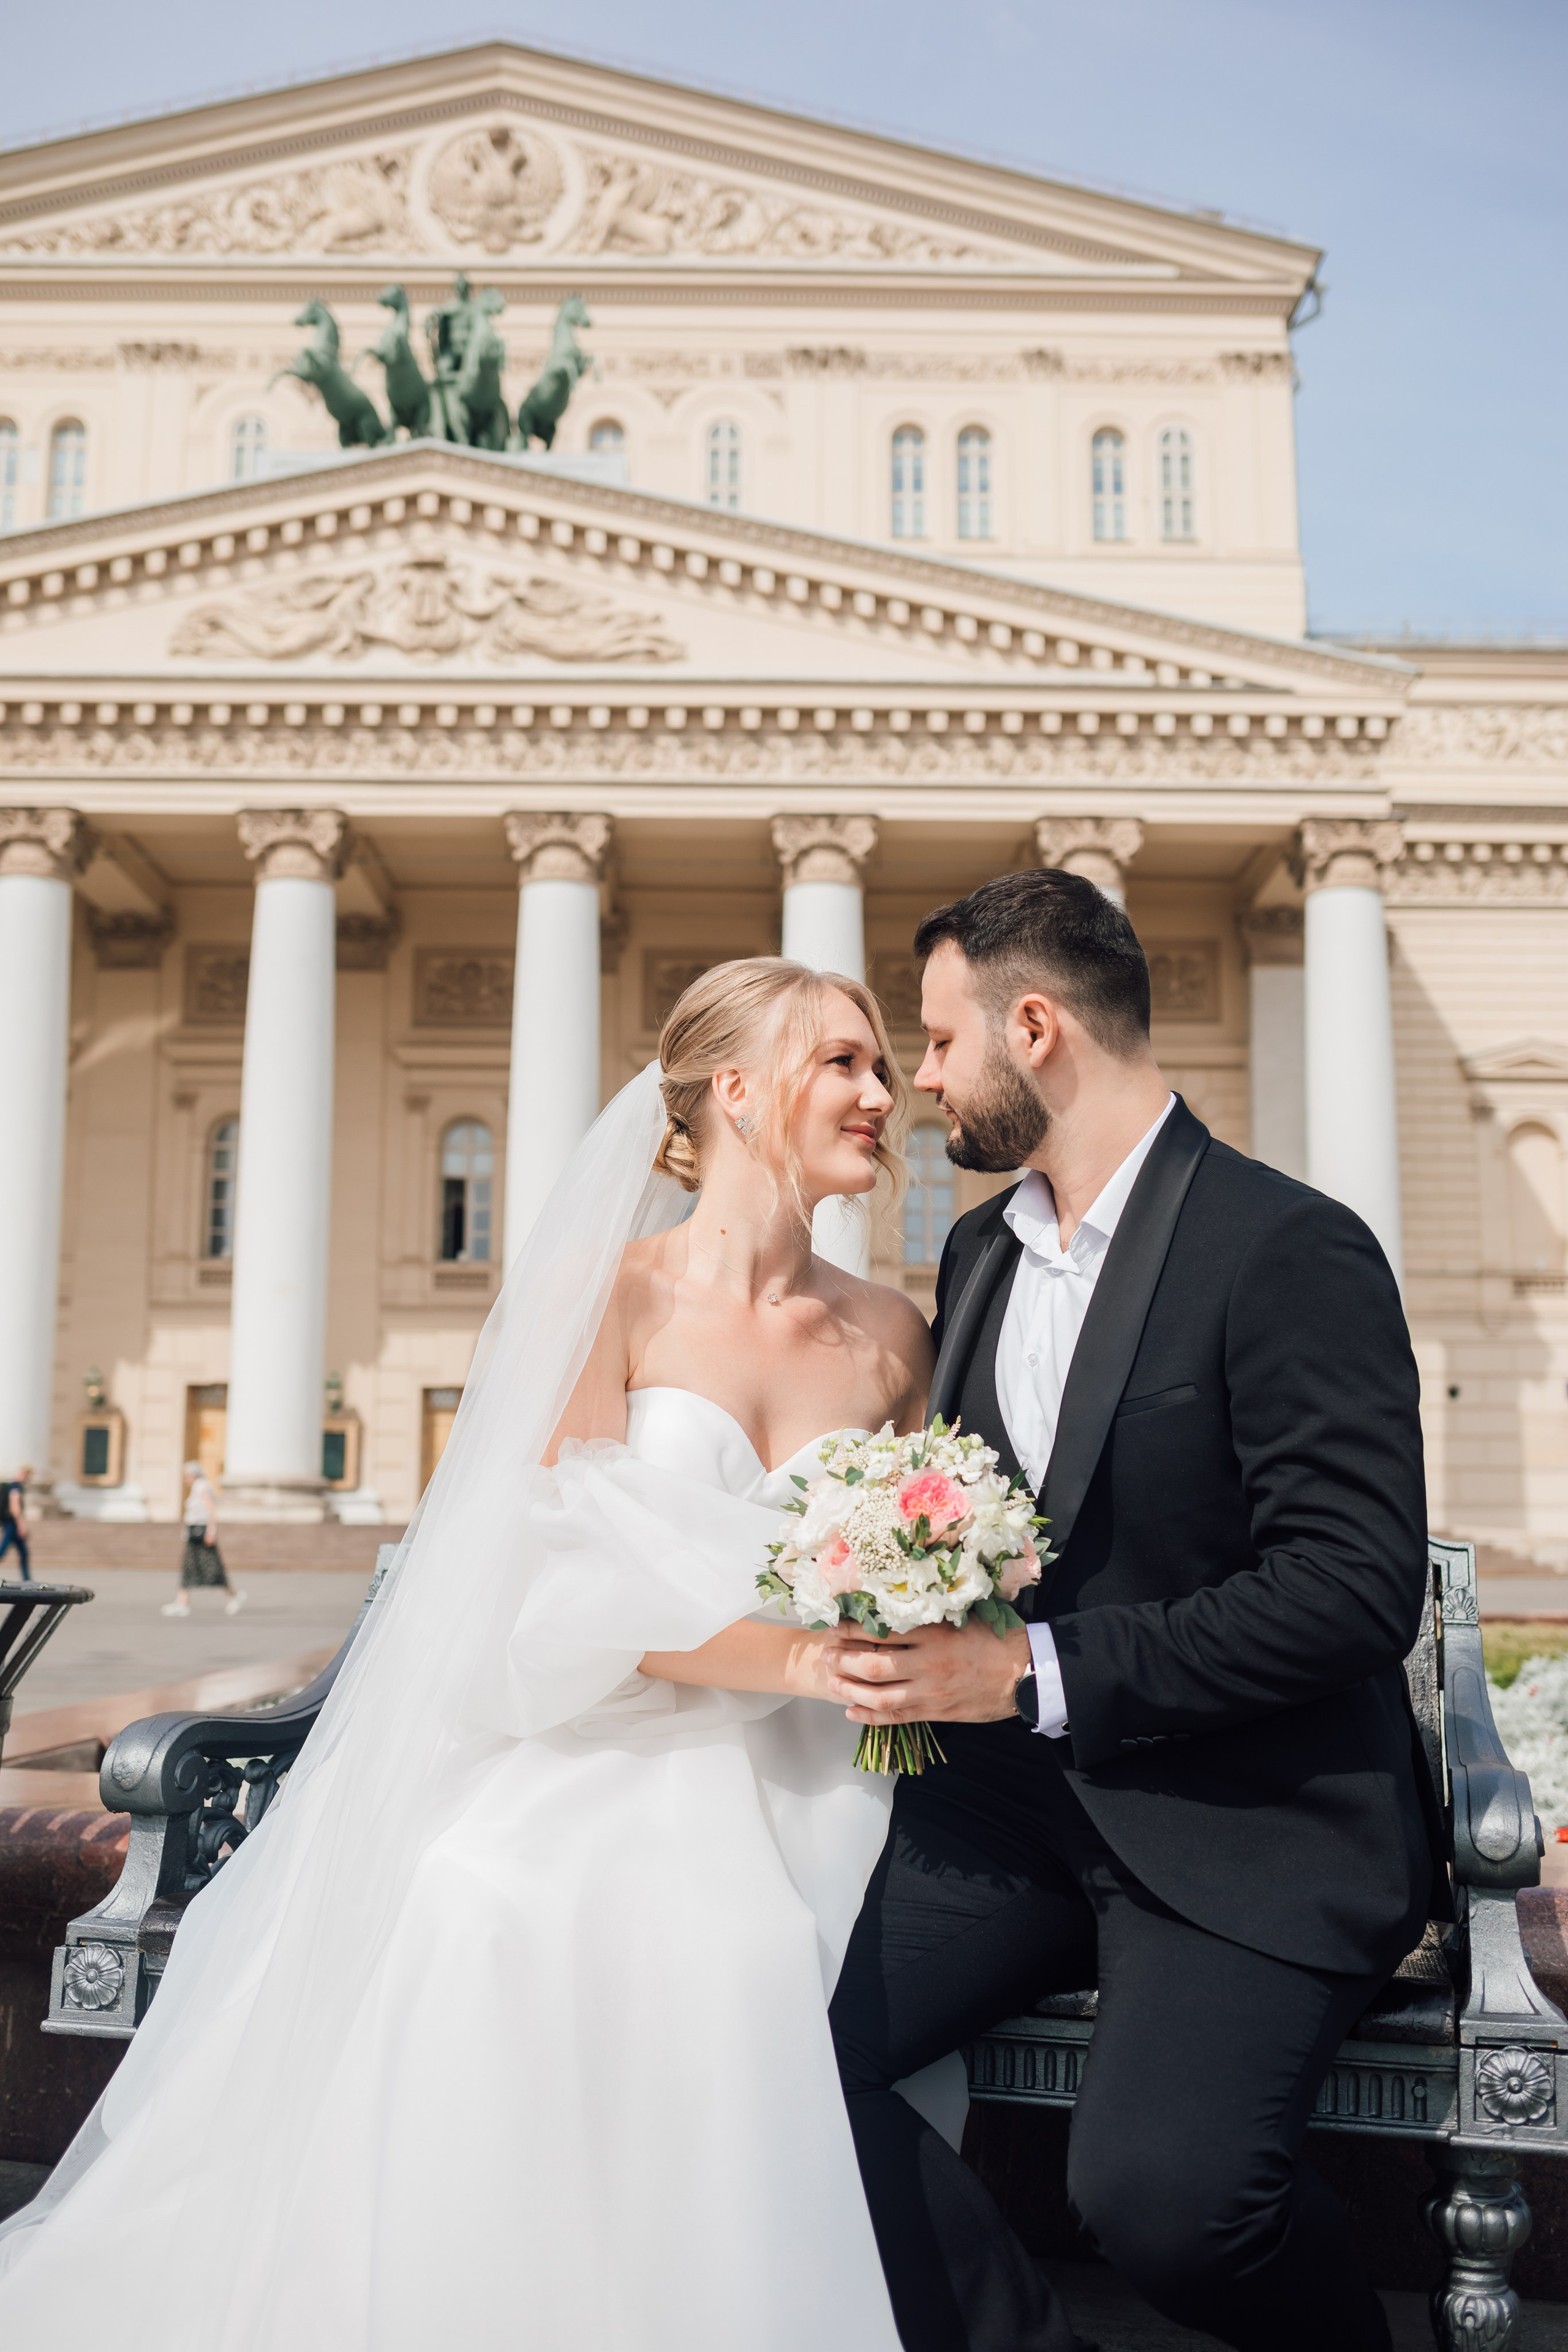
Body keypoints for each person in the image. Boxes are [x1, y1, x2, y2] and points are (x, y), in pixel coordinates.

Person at [0, 957, 952, 2352]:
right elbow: (557, 1601)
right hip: (618, 1718)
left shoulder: (888, 1335)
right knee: (485, 1893)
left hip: (819, 1766)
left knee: (731, 1932)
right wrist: (797, 1658)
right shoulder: (606, 1298)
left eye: (880, 1065)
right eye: (843, 1063)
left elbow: (910, 1546)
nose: (883, 1094)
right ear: (735, 1092)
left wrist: (919, 1612)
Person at [824, 868, 1442, 2352]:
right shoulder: (974, 1255)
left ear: (1031, 1025)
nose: (920, 1076)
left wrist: (1029, 1668)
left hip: (1246, 1815)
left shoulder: (1285, 1244)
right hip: (1007, 1816)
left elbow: (1352, 1584)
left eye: (935, 1038)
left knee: (1164, 2194)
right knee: (738, 2039)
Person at [162, 1463, 245, 1618]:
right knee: (188, 1565)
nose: (185, 1480)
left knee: (212, 1566)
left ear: (193, 1475)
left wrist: (211, 1531)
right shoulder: (197, 1487)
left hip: (201, 1532)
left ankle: (233, 1595)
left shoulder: (202, 1487)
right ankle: (182, 1602)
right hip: (195, 1532)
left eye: (186, 1476)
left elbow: (211, 1508)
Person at [0, 1465, 31, 1581]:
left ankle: (27, 1580)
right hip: (12, 1524)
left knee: (24, 1553)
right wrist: (22, 1526)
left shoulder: (13, 1486)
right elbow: (15, 1508)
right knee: (2, 1553)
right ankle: (27, 1580)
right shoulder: (16, 1487)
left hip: (11, 1524)